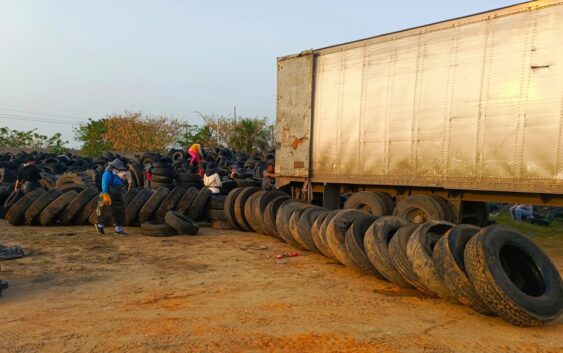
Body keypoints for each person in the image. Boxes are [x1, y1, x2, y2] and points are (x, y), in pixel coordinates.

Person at [95, 159, 129, 236]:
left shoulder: (117, 173)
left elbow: (120, 183)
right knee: (105, 211)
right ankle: (99, 225)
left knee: (120, 212)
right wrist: (106, 195)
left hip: (117, 194)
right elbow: (104, 185)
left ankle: (119, 230)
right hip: (107, 194)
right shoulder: (107, 174)